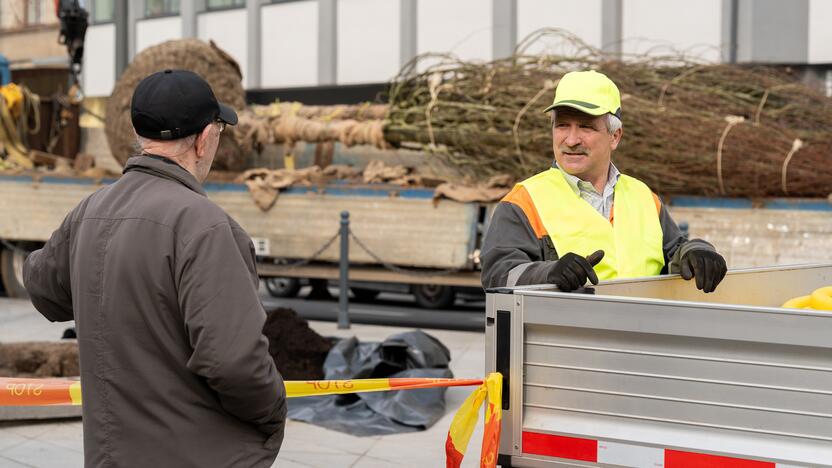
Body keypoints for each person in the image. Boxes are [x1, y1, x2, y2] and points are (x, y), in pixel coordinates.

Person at [23, 70, 286, 467]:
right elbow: (233, 363)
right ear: (202, 139)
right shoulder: (207, 227)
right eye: (218, 129)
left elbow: (42, 287)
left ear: (138, 132)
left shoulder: (89, 212)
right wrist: (273, 409)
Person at [481, 70, 727, 293]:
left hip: (643, 338)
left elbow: (675, 253)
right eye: (563, 125)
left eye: (586, 127)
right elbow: (498, 275)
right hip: (569, 341)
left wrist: (698, 250)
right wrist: (548, 273)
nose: (571, 139)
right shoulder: (524, 202)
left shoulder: (643, 197)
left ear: (615, 137)